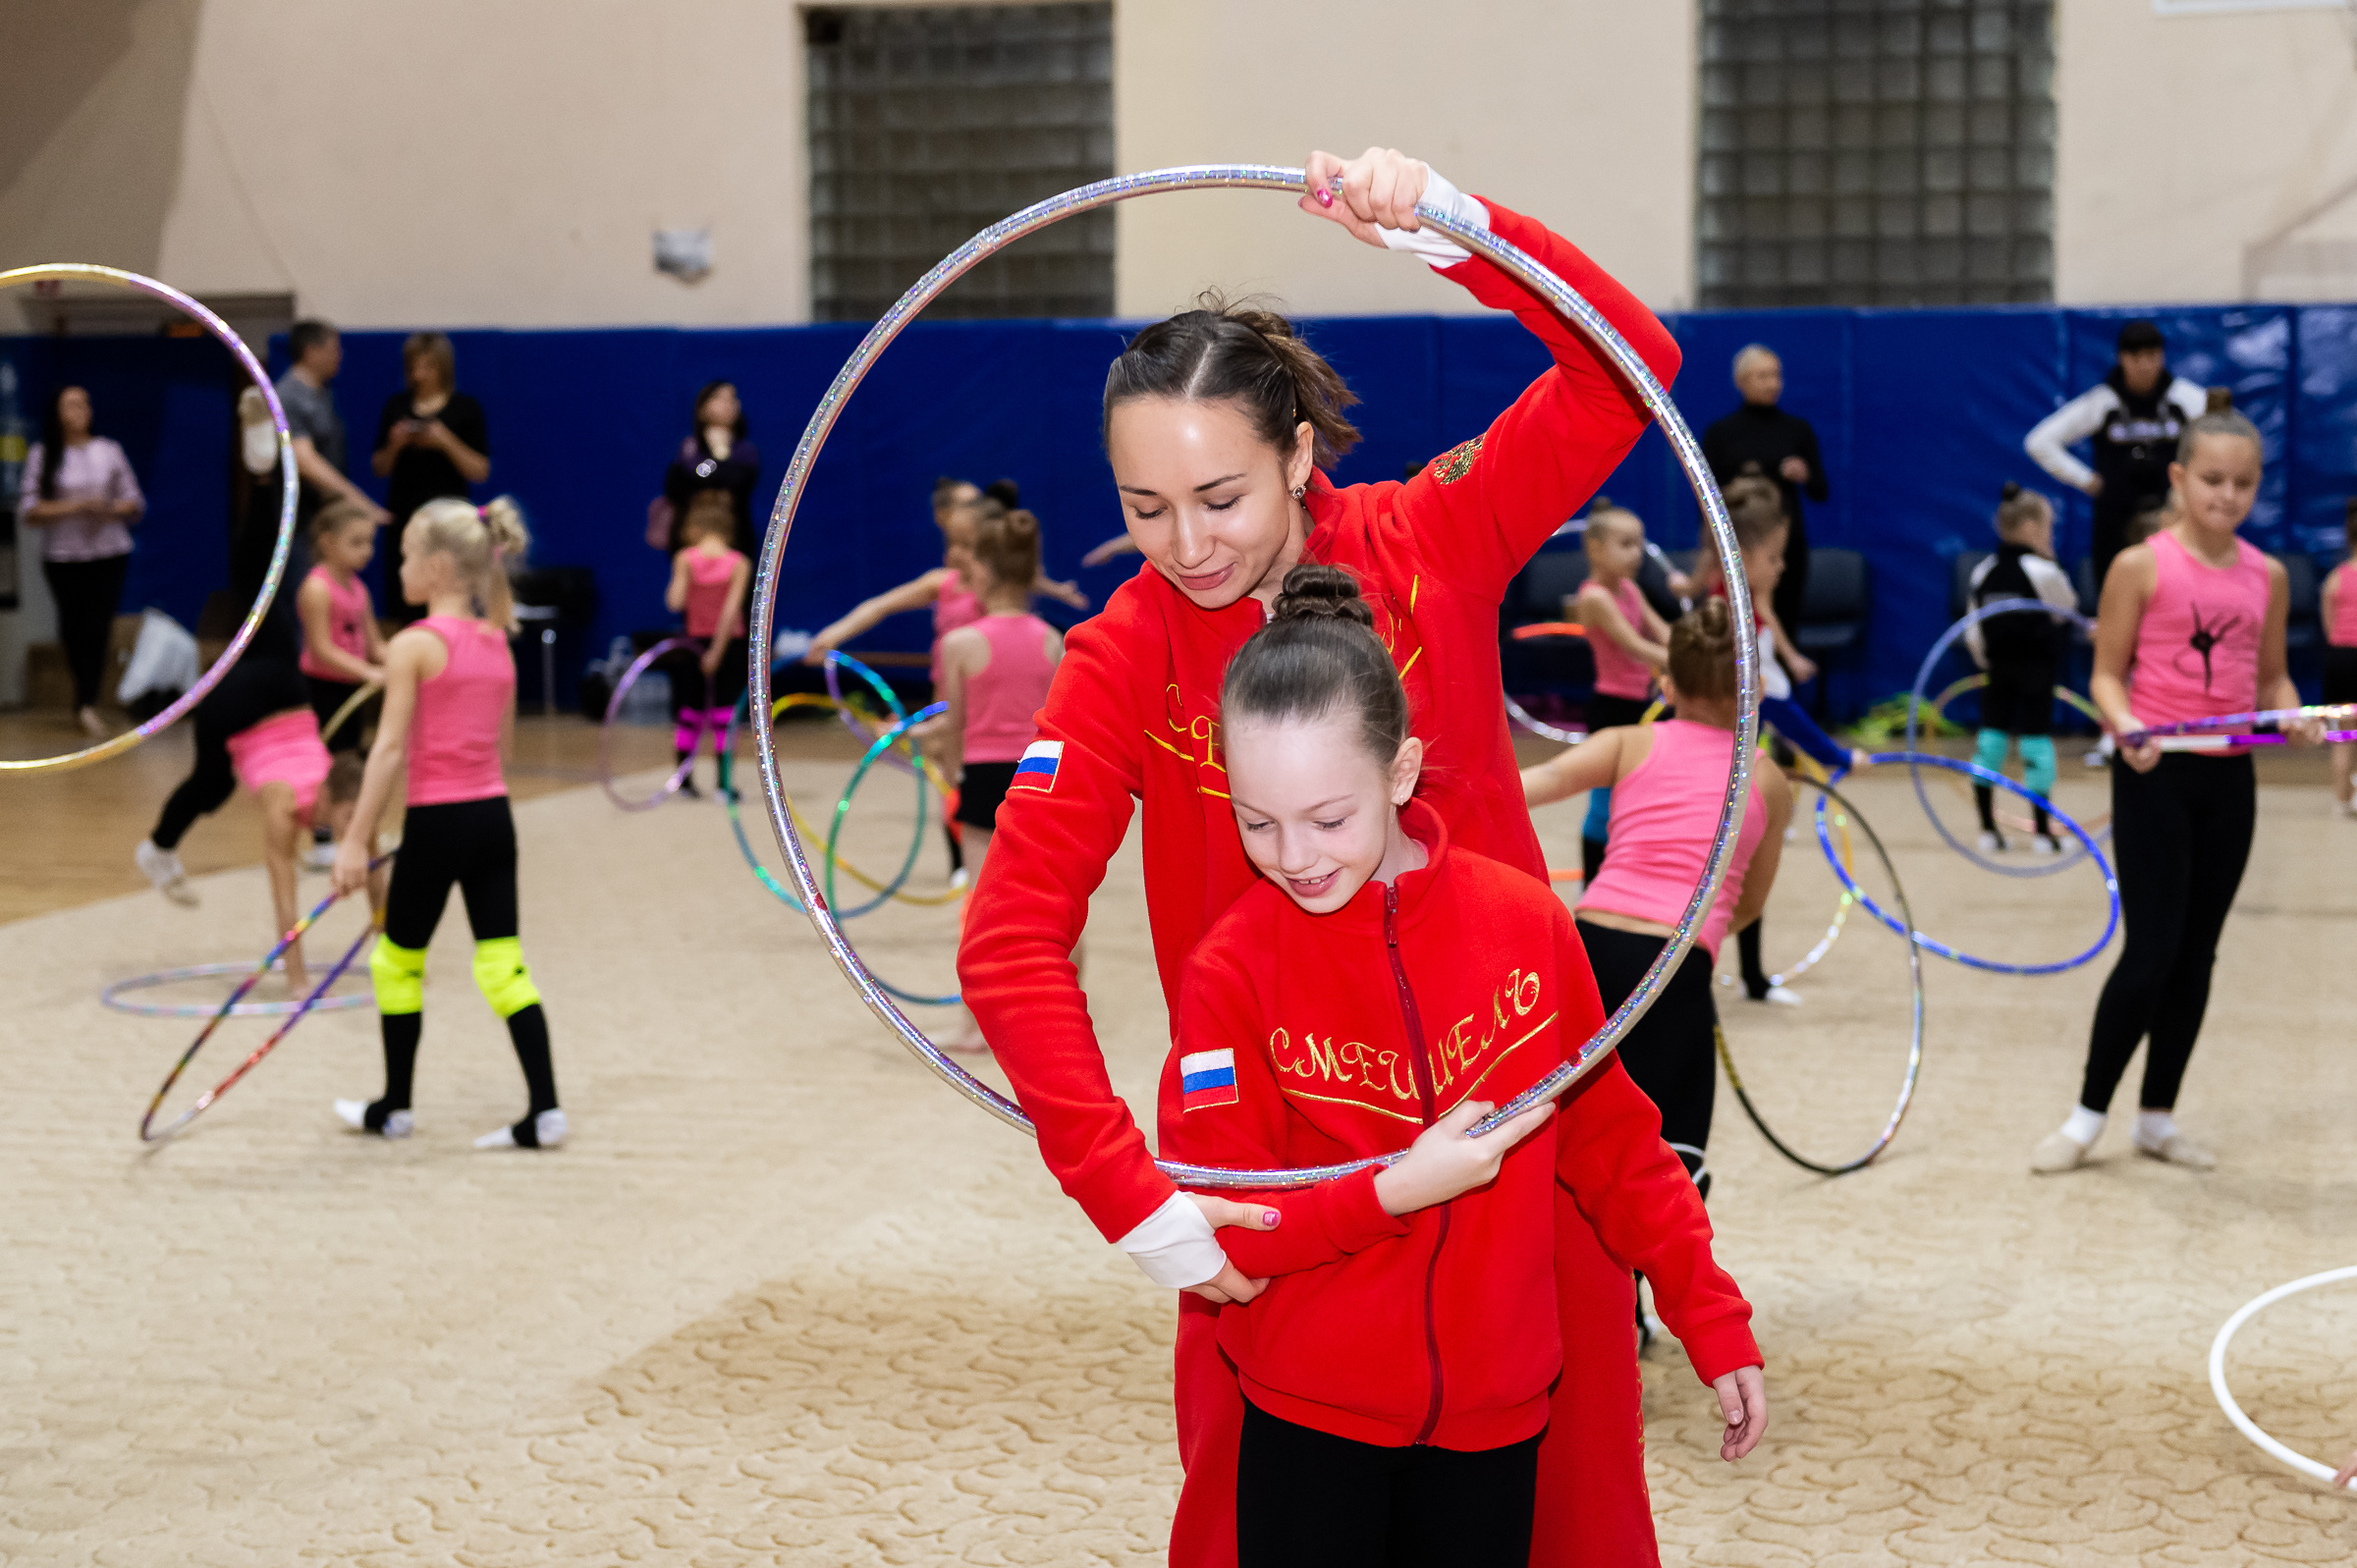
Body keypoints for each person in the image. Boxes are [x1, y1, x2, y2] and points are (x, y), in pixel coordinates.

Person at [956, 145, 1696, 1568]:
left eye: (1222, 497)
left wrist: (1463, 232)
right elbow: (1008, 939)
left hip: (1511, 1138)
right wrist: (1139, 1199)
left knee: (1567, 1518)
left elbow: (1631, 365)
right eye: (1145, 508)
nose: (1186, 545)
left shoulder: (1433, 540)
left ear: (1300, 453)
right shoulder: (1115, 662)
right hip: (1279, 1187)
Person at [1163, 567, 1764, 1567]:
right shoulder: (1229, 971)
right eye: (1257, 822)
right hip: (1308, 1421)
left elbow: (1615, 1140)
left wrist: (1708, 1311)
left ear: (1400, 773)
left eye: (1327, 817)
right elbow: (1227, 1222)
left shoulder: (1525, 925)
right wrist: (1394, 1190)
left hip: (1495, 1420)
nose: (1294, 855)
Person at [2030, 410, 2320, 1175]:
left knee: (2199, 952)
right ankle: (2087, 1114)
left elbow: (2271, 679)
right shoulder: (2140, 565)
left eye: (2244, 483)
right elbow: (2104, 673)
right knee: (2152, 949)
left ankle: (2157, 1116)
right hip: (2154, 768)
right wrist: (2125, 726)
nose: (2228, 496)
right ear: (2180, 478)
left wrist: (2291, 714)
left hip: (2230, 776)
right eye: (2214, 480)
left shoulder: (2269, 574)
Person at [1523, 598, 1788, 1204]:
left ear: (1665, 684)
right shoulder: (1767, 779)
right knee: (1669, 1158)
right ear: (1757, 691)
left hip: (1588, 952)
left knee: (1578, 1131)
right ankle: (1643, 1285)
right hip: (1675, 964)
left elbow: (1531, 787)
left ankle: (1601, 1289)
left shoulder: (1627, 742)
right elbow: (1750, 905)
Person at [330, 497, 563, 1151]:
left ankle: (394, 1106)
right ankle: (545, 1108)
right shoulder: (498, 642)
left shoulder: (413, 644)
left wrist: (353, 840)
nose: (396, 566)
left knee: (396, 964)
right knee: (502, 966)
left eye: (403, 554)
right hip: (493, 820)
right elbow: (505, 749)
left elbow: (390, 751)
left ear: (434, 567)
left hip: (436, 824)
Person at [806, 478, 1088, 876]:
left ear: (988, 554)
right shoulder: (943, 584)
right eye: (952, 543)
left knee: (973, 779)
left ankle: (984, 862)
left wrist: (1060, 593)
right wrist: (833, 635)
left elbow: (1030, 577)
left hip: (992, 706)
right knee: (951, 781)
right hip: (955, 697)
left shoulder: (1005, 598)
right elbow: (878, 606)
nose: (956, 553)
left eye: (966, 545)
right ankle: (962, 861)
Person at [925, 505, 1065, 1052]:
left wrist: (938, 759)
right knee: (1050, 901)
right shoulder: (1052, 640)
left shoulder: (959, 645)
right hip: (1039, 783)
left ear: (979, 574)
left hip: (983, 783)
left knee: (985, 909)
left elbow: (951, 728)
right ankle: (1057, 1014)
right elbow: (1061, 726)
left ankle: (973, 1024)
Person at [2025, 319, 2209, 594]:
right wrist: (2086, 480)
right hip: (2115, 523)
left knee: (2177, 594)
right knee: (2118, 598)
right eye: (2136, 357)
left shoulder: (2186, 399)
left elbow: (2228, 434)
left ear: (2162, 356)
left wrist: (2198, 479)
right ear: (2122, 358)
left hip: (2173, 519)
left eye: (2152, 356)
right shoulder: (2102, 402)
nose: (2145, 365)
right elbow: (2039, 441)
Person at [18, 385, 145, 736]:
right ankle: (83, 696)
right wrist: (75, 506)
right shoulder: (43, 455)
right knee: (73, 627)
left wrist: (107, 508)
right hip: (63, 555)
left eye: (85, 403)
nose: (80, 410)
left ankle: (86, 703)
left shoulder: (109, 450)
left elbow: (134, 501)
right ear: (57, 413)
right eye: (71, 404)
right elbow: (30, 509)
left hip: (108, 551)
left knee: (97, 626)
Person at [1963, 484, 2077, 853]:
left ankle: (1987, 830)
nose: (2050, 534)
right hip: (2035, 671)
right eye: (2047, 526)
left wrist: (1986, 659)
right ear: (2030, 527)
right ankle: (2043, 835)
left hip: (1998, 670)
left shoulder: (1984, 571)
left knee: (1990, 744)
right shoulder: (2042, 570)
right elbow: (2067, 608)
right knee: (2036, 746)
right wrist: (2052, 558)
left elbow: (1974, 628)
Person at [1569, 499, 1670, 885]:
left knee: (1638, 797)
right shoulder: (1593, 597)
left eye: (1639, 544)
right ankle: (1592, 885)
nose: (1636, 554)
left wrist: (1698, 648)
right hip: (1610, 709)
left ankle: (1627, 874)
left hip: (1641, 707)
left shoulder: (1629, 588)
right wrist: (1694, 663)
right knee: (1603, 806)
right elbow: (1638, 647)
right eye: (1625, 544)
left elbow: (1662, 632)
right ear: (1595, 549)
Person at [1701, 345, 1826, 640]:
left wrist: (1805, 475)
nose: (1772, 383)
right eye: (1761, 376)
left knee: (1783, 624)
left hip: (1784, 545)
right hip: (1738, 547)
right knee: (1736, 629)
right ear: (1741, 381)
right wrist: (1712, 548)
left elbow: (1821, 491)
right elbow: (1707, 497)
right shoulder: (1721, 433)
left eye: (1775, 375)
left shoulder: (1797, 429)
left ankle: (1781, 683)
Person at [373, 332, 490, 622]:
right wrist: (395, 444)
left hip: (450, 520)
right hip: (406, 516)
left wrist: (445, 441)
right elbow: (379, 467)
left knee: (452, 593)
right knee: (407, 598)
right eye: (414, 366)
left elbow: (480, 470)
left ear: (443, 368)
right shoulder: (396, 406)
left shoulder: (465, 408)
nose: (420, 374)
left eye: (428, 366)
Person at [659, 490, 752, 794]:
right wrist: (718, 651)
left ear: (694, 528)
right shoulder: (738, 562)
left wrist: (684, 571)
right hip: (728, 643)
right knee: (725, 714)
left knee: (691, 711)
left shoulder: (686, 558)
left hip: (696, 644)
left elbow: (673, 602)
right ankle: (723, 784)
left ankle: (685, 781)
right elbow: (730, 611)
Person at [298, 498, 388, 753]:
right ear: (327, 543)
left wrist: (400, 661)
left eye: (370, 542)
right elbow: (321, 649)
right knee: (330, 756)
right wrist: (366, 671)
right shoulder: (317, 587)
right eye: (356, 543)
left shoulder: (360, 588)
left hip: (352, 686)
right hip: (321, 688)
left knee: (350, 754)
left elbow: (375, 644)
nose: (367, 551)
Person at [275, 320, 383, 531]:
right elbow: (304, 460)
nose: (340, 355)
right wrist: (359, 502)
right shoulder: (288, 397)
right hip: (301, 526)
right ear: (311, 352)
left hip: (326, 519)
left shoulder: (323, 393)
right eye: (333, 349)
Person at [661, 380, 763, 557]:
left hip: (734, 540)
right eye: (718, 398)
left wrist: (720, 454)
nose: (727, 404)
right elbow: (676, 487)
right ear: (702, 408)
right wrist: (714, 468)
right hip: (690, 538)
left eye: (732, 398)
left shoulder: (746, 452)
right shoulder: (688, 449)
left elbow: (739, 485)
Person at [2325, 499, 2357, 818]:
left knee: (2342, 736)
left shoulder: (2336, 578)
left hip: (2341, 660)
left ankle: (2342, 802)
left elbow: (2329, 626)